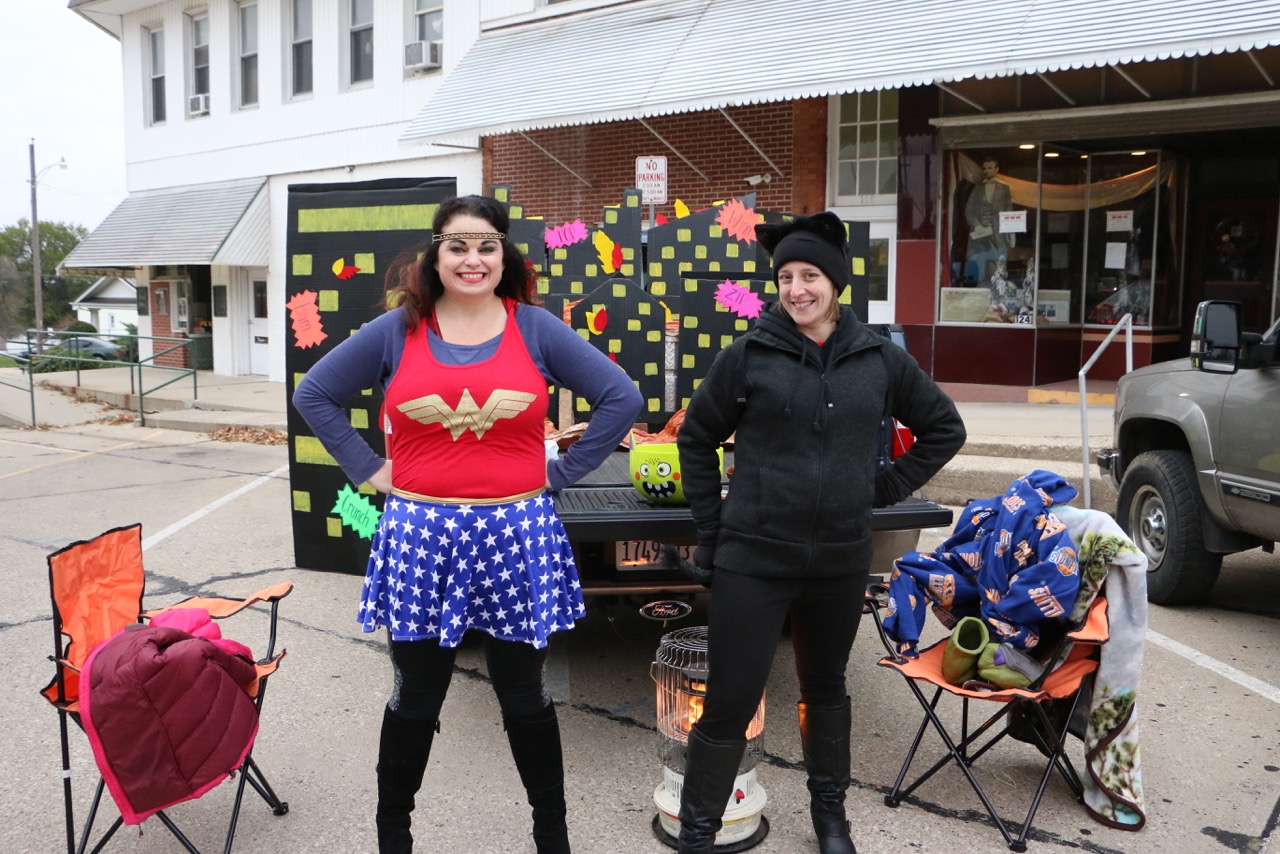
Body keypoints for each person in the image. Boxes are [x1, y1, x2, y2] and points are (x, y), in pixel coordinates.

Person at [293, 195, 643, 854]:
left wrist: (561, 474)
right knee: (415, 697)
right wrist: (370, 469)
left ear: (505, 255)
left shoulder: (534, 328)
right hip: (420, 537)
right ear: (435, 255)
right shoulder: (398, 330)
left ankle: (552, 835)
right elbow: (314, 393)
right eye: (457, 245)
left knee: (524, 695)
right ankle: (393, 835)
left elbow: (622, 397)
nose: (472, 258)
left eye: (486, 245)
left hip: (516, 533)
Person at [674, 212, 966, 854]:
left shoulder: (879, 359)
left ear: (836, 283)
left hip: (838, 560)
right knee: (729, 699)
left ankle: (831, 821)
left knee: (826, 692)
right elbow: (696, 438)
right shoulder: (749, 354)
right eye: (785, 277)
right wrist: (712, 528)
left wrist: (881, 488)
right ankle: (698, 830)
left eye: (810, 275)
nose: (796, 289)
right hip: (754, 558)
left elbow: (945, 428)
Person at [964, 156, 1014, 284]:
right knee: (979, 268)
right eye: (985, 168)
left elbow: (1009, 211)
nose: (986, 171)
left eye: (990, 168)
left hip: (998, 234)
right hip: (980, 235)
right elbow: (969, 210)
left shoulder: (1004, 189)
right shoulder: (977, 189)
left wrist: (1011, 233)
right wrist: (977, 226)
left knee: (999, 268)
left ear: (996, 169)